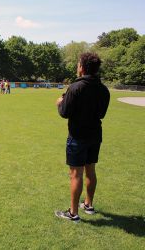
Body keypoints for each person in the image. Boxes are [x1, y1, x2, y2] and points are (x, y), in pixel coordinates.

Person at [55, 52, 110, 223]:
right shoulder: (103, 89)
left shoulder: (75, 87)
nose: (77, 66)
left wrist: (59, 103)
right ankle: (88, 205)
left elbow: (64, 112)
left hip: (78, 136)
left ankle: (73, 213)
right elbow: (101, 113)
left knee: (76, 174)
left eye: (78, 64)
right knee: (91, 171)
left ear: (82, 67)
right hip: (95, 135)